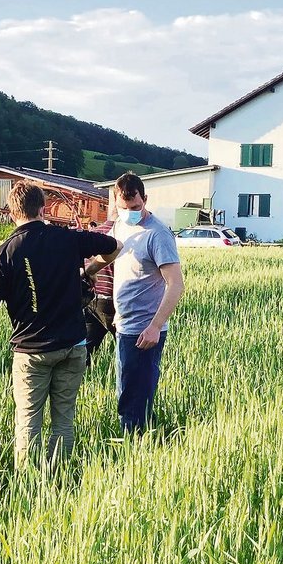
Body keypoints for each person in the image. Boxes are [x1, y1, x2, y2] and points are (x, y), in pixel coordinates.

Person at [0, 182, 118, 465]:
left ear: (10, 213)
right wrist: (89, 272)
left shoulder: (2, 254)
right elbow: (115, 246)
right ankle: (61, 476)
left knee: (28, 421)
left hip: (30, 352)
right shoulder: (67, 238)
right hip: (73, 345)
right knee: (63, 419)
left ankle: (28, 486)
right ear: (43, 209)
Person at [110, 173, 183, 434]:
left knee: (135, 398)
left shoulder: (158, 234)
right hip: (123, 325)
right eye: (124, 207)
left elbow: (176, 284)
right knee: (125, 390)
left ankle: (135, 449)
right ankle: (130, 439)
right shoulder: (119, 225)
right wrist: (89, 270)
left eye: (135, 207)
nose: (129, 212)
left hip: (144, 331)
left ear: (145, 199)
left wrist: (155, 326)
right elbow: (109, 253)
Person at [82, 204, 117, 359]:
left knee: (86, 349)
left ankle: (81, 379)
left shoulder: (93, 234)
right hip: (114, 302)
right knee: (127, 349)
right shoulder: (123, 236)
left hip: (91, 299)